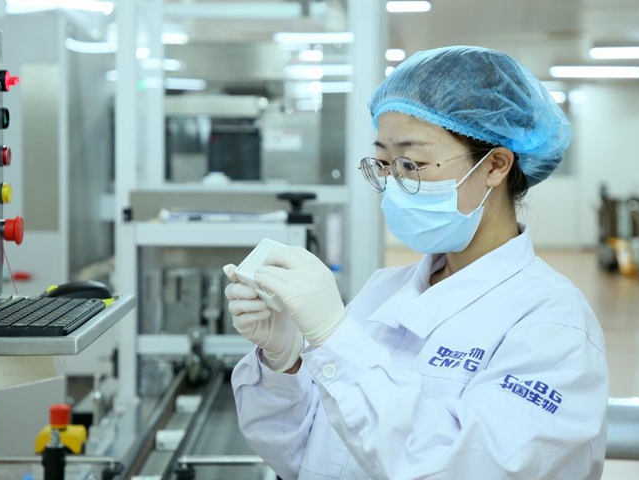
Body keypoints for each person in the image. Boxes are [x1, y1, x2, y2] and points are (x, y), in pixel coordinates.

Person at [223, 46, 608, 480]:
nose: (394, 184)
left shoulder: (553, 322)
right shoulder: (384, 289)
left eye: (412, 163)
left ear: (495, 166)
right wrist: (285, 362)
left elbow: (470, 468)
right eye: (385, 163)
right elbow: (300, 456)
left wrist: (334, 338)